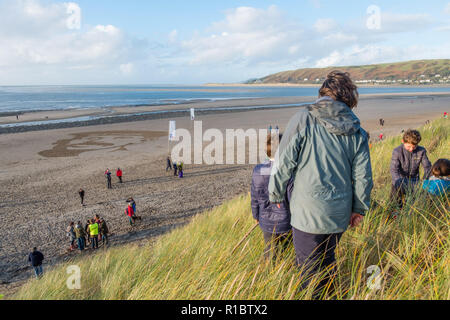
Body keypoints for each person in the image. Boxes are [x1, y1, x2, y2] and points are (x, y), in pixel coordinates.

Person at [268, 71, 373, 298]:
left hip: (307, 212)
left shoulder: (303, 118)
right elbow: (363, 175)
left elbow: (283, 161)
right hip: (339, 212)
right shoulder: (357, 128)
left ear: (323, 93)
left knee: (309, 273)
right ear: (347, 97)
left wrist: (275, 194)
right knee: (327, 263)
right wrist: (359, 208)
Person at [251, 133, 293, 260]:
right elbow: (292, 199)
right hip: (286, 220)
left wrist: (256, 215)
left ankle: (268, 272)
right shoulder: (289, 171)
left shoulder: (258, 170)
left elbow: (254, 197)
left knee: (269, 250)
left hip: (266, 220)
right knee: (288, 252)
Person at [390, 129, 432, 211]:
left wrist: (424, 181)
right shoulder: (397, 151)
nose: (411, 149)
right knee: (395, 194)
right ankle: (395, 212)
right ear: (403, 141)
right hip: (400, 181)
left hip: (414, 182)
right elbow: (394, 170)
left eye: (414, 146)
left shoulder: (421, 151)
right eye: (409, 146)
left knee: (413, 207)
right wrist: (399, 182)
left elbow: (428, 168)